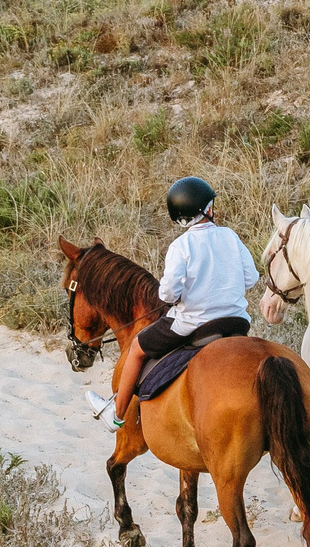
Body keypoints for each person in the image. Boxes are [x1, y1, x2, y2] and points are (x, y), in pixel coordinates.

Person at [90, 175, 258, 429]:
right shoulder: (230, 236)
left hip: (193, 324)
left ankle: (116, 414)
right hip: (237, 322)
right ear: (208, 209)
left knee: (136, 349)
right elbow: (251, 278)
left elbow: (167, 294)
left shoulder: (181, 246)